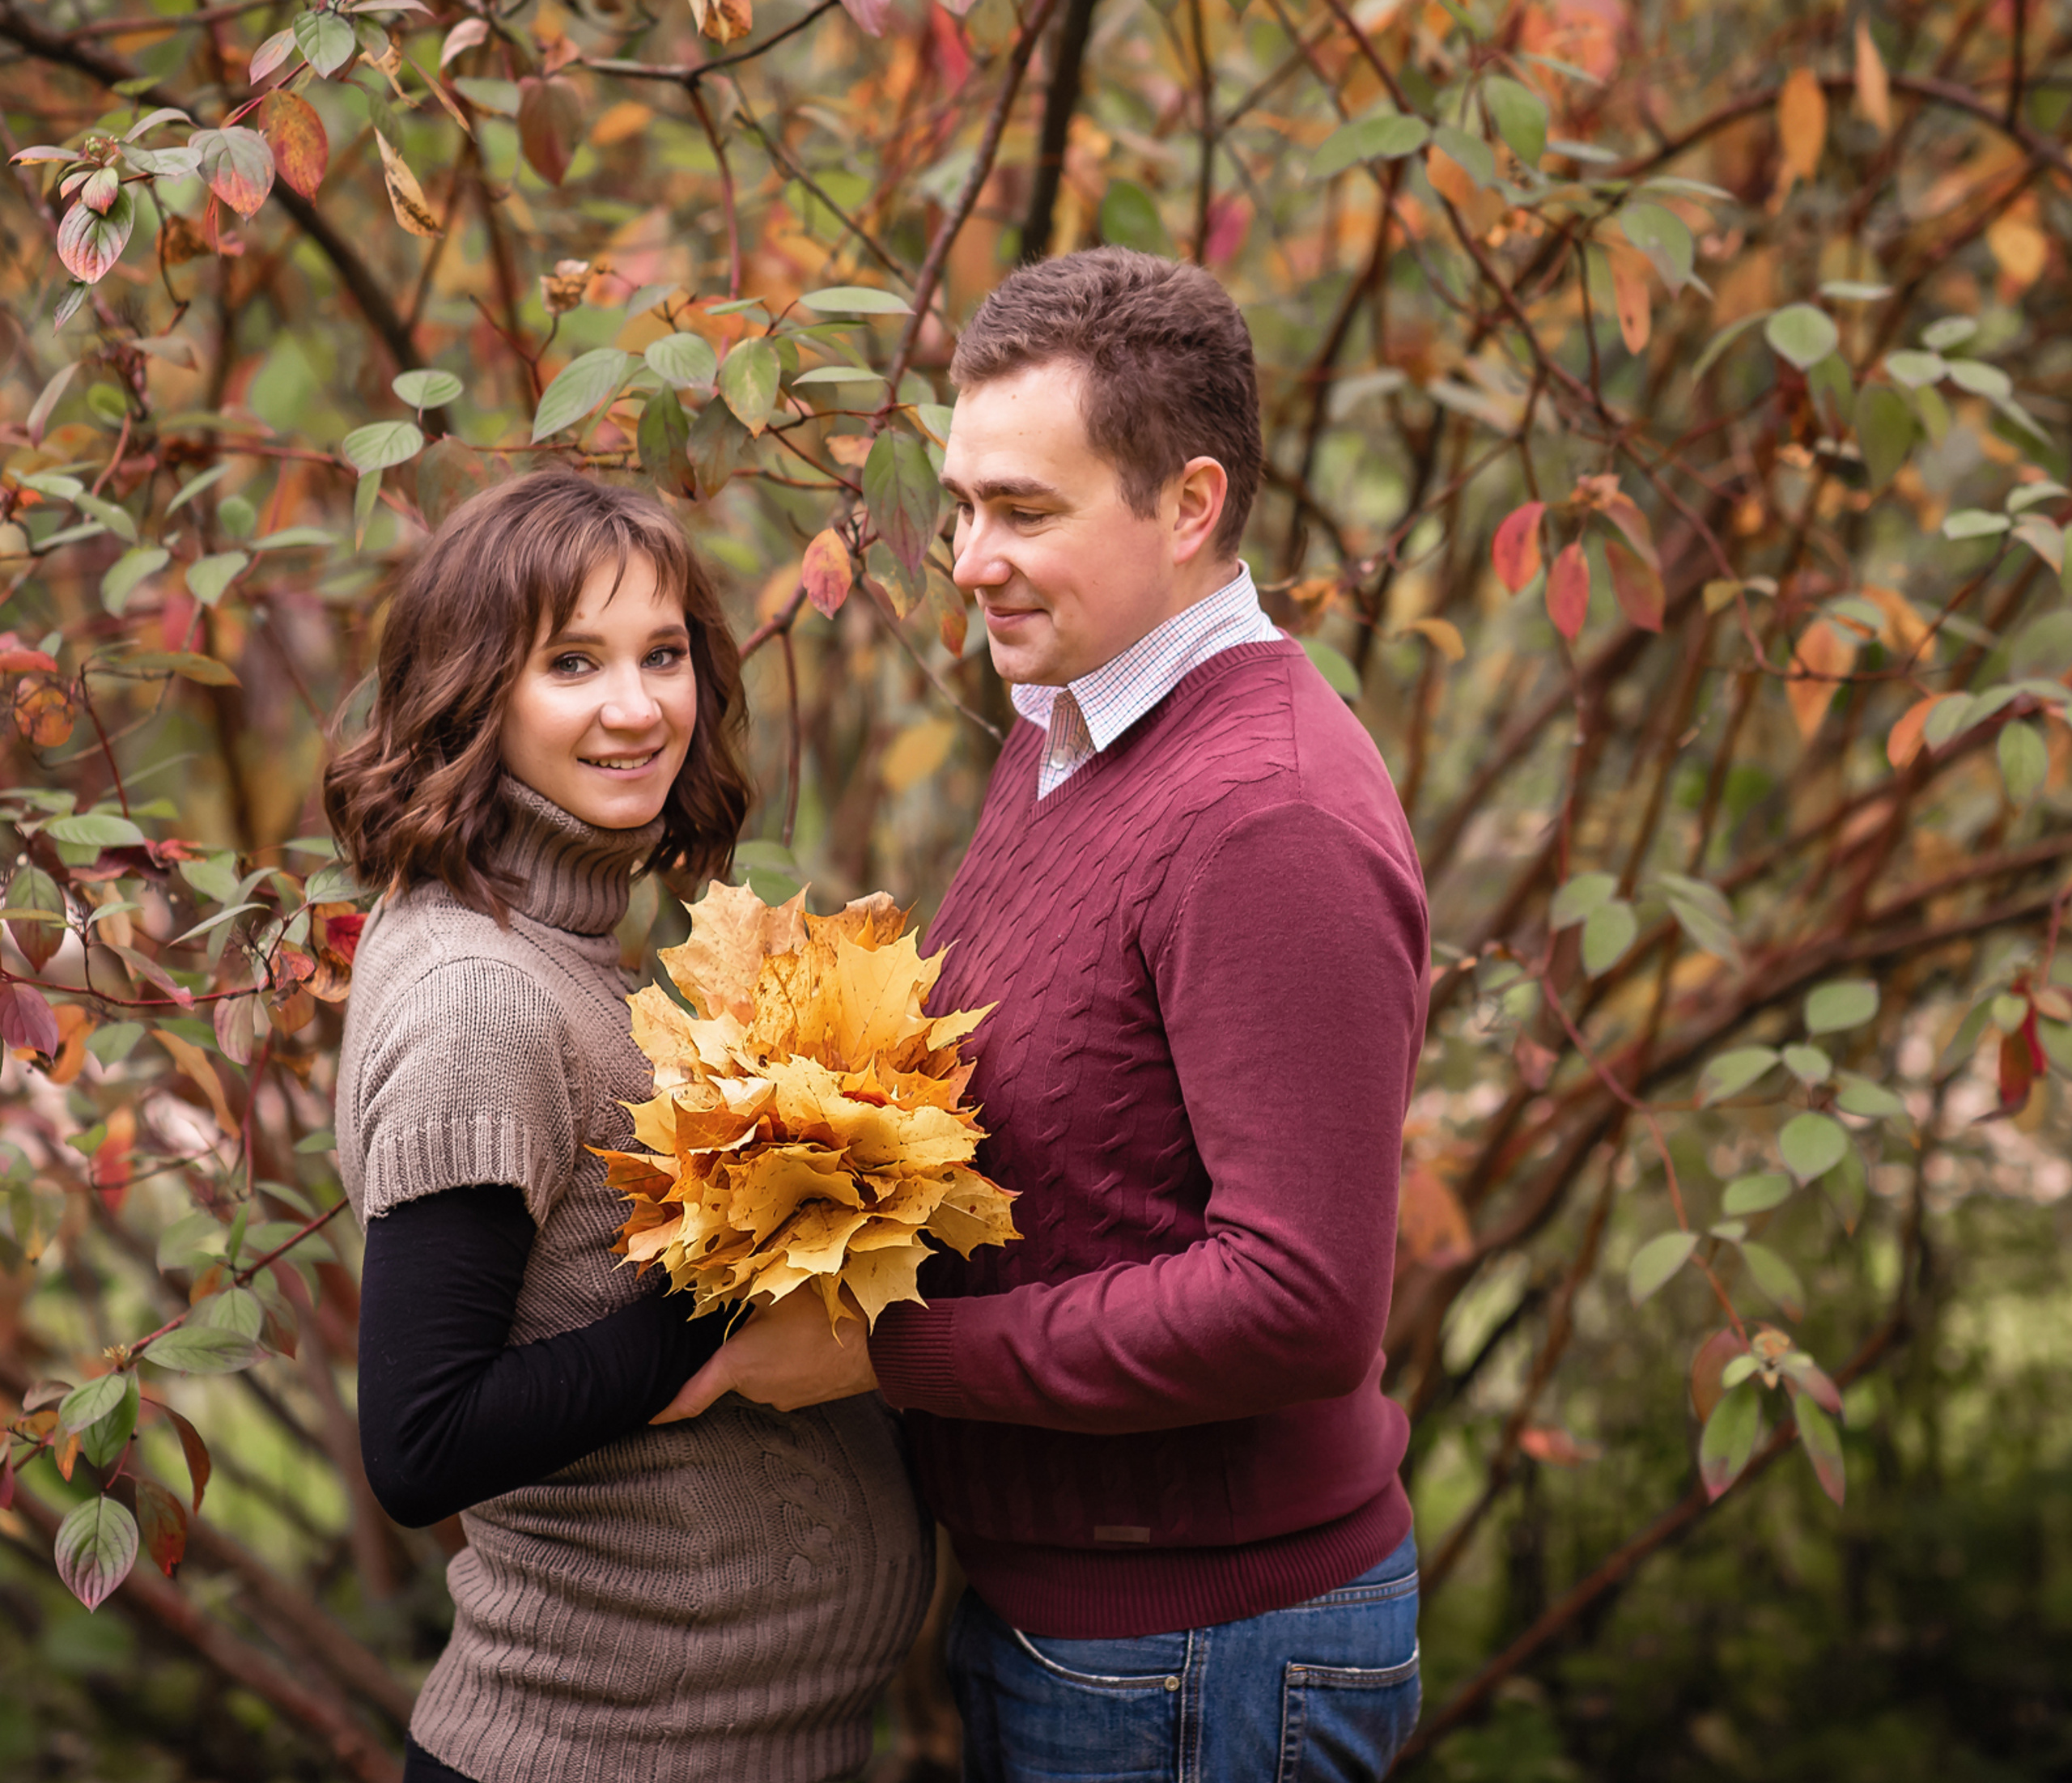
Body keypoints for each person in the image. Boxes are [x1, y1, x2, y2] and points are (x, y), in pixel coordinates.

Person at [660, 250, 1429, 1781]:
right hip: (1076, 1629)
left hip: (1204, 1657)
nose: (966, 557)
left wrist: (892, 1351)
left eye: (1024, 511)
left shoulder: (1265, 816)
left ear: (1190, 506)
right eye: (960, 505)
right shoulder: (1074, 725)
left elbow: (1301, 1303)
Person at [325, 469, 932, 1783]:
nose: (637, 707)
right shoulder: (483, 997)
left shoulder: (554, 950)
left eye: (664, 654)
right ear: (470, 690)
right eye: (573, 663)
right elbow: (422, 1441)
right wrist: (756, 1289)